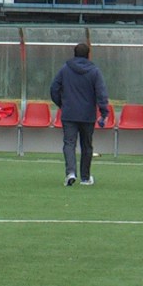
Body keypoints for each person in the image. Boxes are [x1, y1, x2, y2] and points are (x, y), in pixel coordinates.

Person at [50, 42, 110, 186]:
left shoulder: (65, 69)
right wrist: (104, 112)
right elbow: (101, 93)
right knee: (87, 145)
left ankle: (70, 172)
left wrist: (62, 104)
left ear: (74, 53)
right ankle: (85, 177)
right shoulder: (94, 71)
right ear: (88, 55)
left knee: (69, 143)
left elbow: (54, 88)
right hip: (88, 114)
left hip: (69, 113)